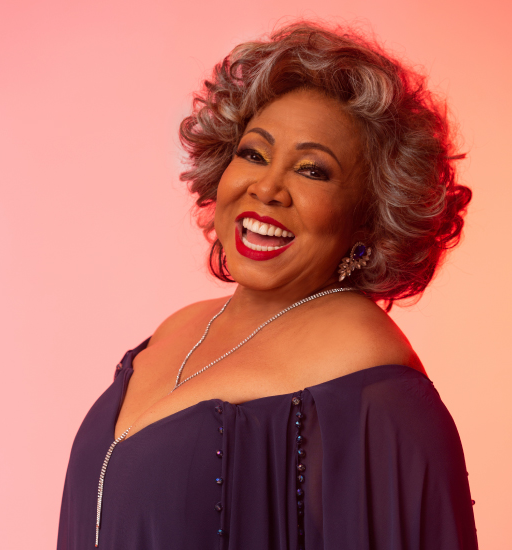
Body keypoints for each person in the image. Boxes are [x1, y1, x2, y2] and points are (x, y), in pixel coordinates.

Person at [57, 21, 478, 550]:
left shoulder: (373, 386)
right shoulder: (177, 329)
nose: (267, 188)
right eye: (254, 154)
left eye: (313, 171)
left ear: (370, 218)